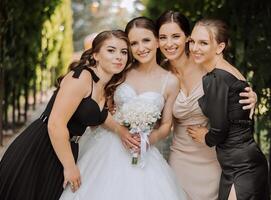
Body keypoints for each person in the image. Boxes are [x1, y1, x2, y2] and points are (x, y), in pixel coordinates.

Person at [59, 17, 186, 200]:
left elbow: (166, 124)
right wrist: (119, 129)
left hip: (143, 151)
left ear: (157, 41)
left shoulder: (170, 81)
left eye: (146, 40)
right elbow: (101, 110)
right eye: (134, 43)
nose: (141, 48)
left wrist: (150, 138)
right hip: (107, 147)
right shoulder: (120, 72)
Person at [0, 30, 136, 200]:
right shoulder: (82, 77)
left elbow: (100, 117)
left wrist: (122, 131)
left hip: (67, 149)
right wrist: (70, 166)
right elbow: (55, 124)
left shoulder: (105, 86)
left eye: (124, 52)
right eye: (111, 50)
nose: (119, 57)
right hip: (42, 146)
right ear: (96, 55)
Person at [156, 10, 257, 200]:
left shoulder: (207, 64)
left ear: (187, 38)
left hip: (214, 157)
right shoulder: (160, 73)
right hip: (181, 158)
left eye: (176, 36)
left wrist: (253, 95)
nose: (169, 44)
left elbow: (234, 85)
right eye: (163, 37)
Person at [188, 18, 269, 200]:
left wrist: (205, 137)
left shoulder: (216, 78)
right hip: (243, 161)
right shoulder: (229, 72)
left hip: (241, 167)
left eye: (203, 43)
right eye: (192, 41)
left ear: (219, 47)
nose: (194, 48)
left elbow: (220, 129)